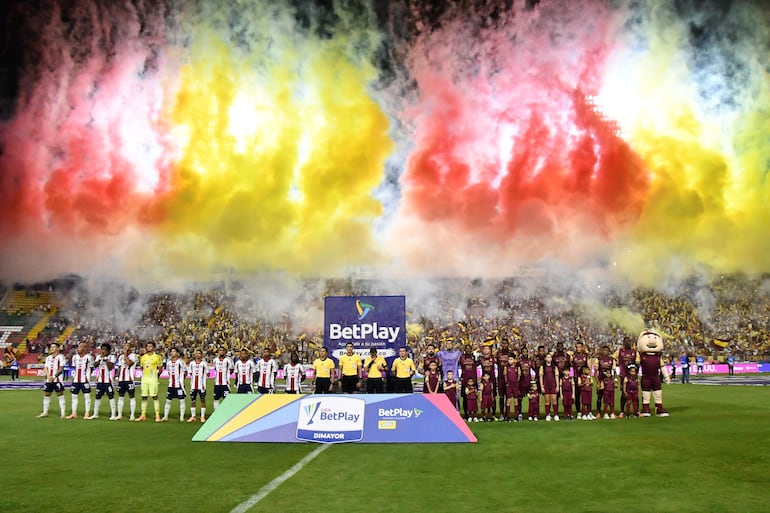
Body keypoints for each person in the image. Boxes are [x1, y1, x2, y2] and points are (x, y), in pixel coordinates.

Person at [37, 342, 67, 418]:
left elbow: (61, 369)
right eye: (51, 347)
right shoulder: (48, 358)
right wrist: (48, 376)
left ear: (58, 348)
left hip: (57, 380)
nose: (52, 348)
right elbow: (46, 367)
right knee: (46, 395)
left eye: (54, 347)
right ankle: (45, 412)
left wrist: (53, 376)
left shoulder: (61, 357)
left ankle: (63, 413)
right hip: (49, 380)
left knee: (60, 395)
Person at [137, 341, 163, 422]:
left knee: (154, 396)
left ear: (154, 348)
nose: (148, 348)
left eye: (150, 346)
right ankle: (143, 415)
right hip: (144, 378)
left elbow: (160, 369)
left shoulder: (157, 357)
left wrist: (156, 376)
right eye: (147, 346)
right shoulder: (143, 357)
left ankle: (157, 415)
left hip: (153, 379)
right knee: (143, 396)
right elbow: (142, 368)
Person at [67, 342, 94, 420]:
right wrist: (73, 376)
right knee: (74, 396)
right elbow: (74, 368)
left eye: (80, 347)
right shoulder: (75, 357)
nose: (78, 348)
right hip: (76, 380)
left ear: (85, 348)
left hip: (85, 380)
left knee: (86, 396)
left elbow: (92, 368)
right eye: (78, 347)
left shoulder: (89, 357)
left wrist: (87, 376)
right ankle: (74, 413)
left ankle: (86, 414)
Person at [91, 343, 117, 420]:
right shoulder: (99, 357)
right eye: (102, 349)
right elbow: (94, 365)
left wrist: (106, 360)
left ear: (108, 350)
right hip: (100, 380)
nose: (103, 351)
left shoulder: (112, 357)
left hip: (108, 381)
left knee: (111, 396)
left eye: (105, 349)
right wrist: (100, 359)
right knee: (97, 396)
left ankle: (113, 415)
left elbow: (110, 367)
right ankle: (95, 414)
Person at [614, 337, 639, 416]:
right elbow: (613, 358)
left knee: (636, 393)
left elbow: (638, 361)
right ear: (623, 343)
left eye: (629, 341)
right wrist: (615, 365)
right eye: (626, 342)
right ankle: (622, 411)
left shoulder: (635, 352)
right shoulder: (620, 351)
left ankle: (637, 411)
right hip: (623, 375)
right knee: (624, 394)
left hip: (633, 376)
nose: (628, 343)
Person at [161, 347, 187, 422]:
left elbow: (185, 372)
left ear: (177, 353)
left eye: (174, 351)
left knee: (181, 400)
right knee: (168, 400)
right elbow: (169, 372)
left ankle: (181, 417)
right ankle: (165, 416)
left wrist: (181, 380)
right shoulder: (168, 363)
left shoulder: (180, 362)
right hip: (171, 385)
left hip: (179, 385)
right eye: (171, 351)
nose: (172, 353)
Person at [116, 342, 138, 420]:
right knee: (120, 396)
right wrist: (117, 377)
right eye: (124, 347)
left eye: (126, 347)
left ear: (130, 349)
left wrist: (125, 355)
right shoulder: (120, 357)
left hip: (129, 380)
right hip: (122, 380)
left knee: (131, 396)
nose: (124, 349)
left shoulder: (134, 356)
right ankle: (119, 414)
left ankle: (132, 415)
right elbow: (119, 367)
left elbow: (129, 363)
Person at [187, 349, 208, 422]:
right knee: (193, 401)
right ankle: (193, 416)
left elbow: (208, 373)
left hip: (201, 386)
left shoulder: (204, 364)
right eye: (196, 353)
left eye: (199, 353)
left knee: (203, 400)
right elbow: (190, 373)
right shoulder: (192, 363)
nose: (197, 355)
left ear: (201, 355)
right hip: (193, 385)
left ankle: (202, 416)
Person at [458, 344, 478, 418]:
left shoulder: (474, 357)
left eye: (469, 348)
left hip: (473, 380)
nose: (468, 350)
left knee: (474, 397)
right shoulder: (462, 358)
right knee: (465, 397)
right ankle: (466, 414)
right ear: (465, 350)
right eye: (467, 348)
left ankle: (474, 414)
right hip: (464, 380)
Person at [495, 338, 512, 420]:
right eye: (503, 343)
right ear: (501, 344)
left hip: (509, 378)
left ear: (508, 344)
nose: (504, 345)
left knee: (508, 397)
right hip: (501, 378)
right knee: (501, 397)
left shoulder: (510, 353)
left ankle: (507, 413)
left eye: (506, 343)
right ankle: (501, 414)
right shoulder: (498, 353)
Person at [571, 341, 589, 416]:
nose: (578, 348)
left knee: (585, 396)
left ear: (582, 347)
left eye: (579, 347)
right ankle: (578, 412)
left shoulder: (585, 356)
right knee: (577, 396)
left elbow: (588, 367)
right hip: (576, 377)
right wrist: (571, 377)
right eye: (577, 347)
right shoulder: (573, 356)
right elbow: (571, 367)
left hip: (583, 378)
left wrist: (588, 377)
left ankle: (586, 411)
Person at [539, 353, 559, 421]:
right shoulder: (543, 367)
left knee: (554, 400)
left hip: (553, 385)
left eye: (550, 357)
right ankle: (548, 414)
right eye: (547, 357)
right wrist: (542, 386)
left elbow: (556, 377)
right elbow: (541, 377)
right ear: (545, 359)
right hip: (546, 385)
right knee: (547, 401)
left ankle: (556, 414)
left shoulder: (554, 367)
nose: (549, 359)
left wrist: (557, 386)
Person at [504, 354, 520, 422]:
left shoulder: (517, 367)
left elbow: (519, 376)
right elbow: (505, 376)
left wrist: (516, 383)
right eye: (509, 359)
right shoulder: (506, 368)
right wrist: (507, 383)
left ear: (514, 360)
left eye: (511, 359)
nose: (510, 361)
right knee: (509, 400)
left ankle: (516, 416)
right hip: (509, 385)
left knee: (516, 400)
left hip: (515, 385)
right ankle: (507, 416)